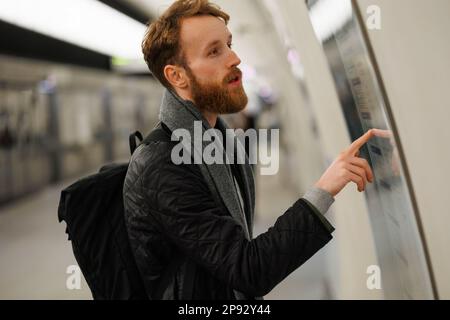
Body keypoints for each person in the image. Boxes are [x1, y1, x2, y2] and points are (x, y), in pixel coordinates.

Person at [123, 0, 377, 300]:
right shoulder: (163, 165)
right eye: (214, 51)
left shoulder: (217, 140)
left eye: (229, 44)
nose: (235, 58)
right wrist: (325, 188)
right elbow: (248, 270)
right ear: (177, 76)